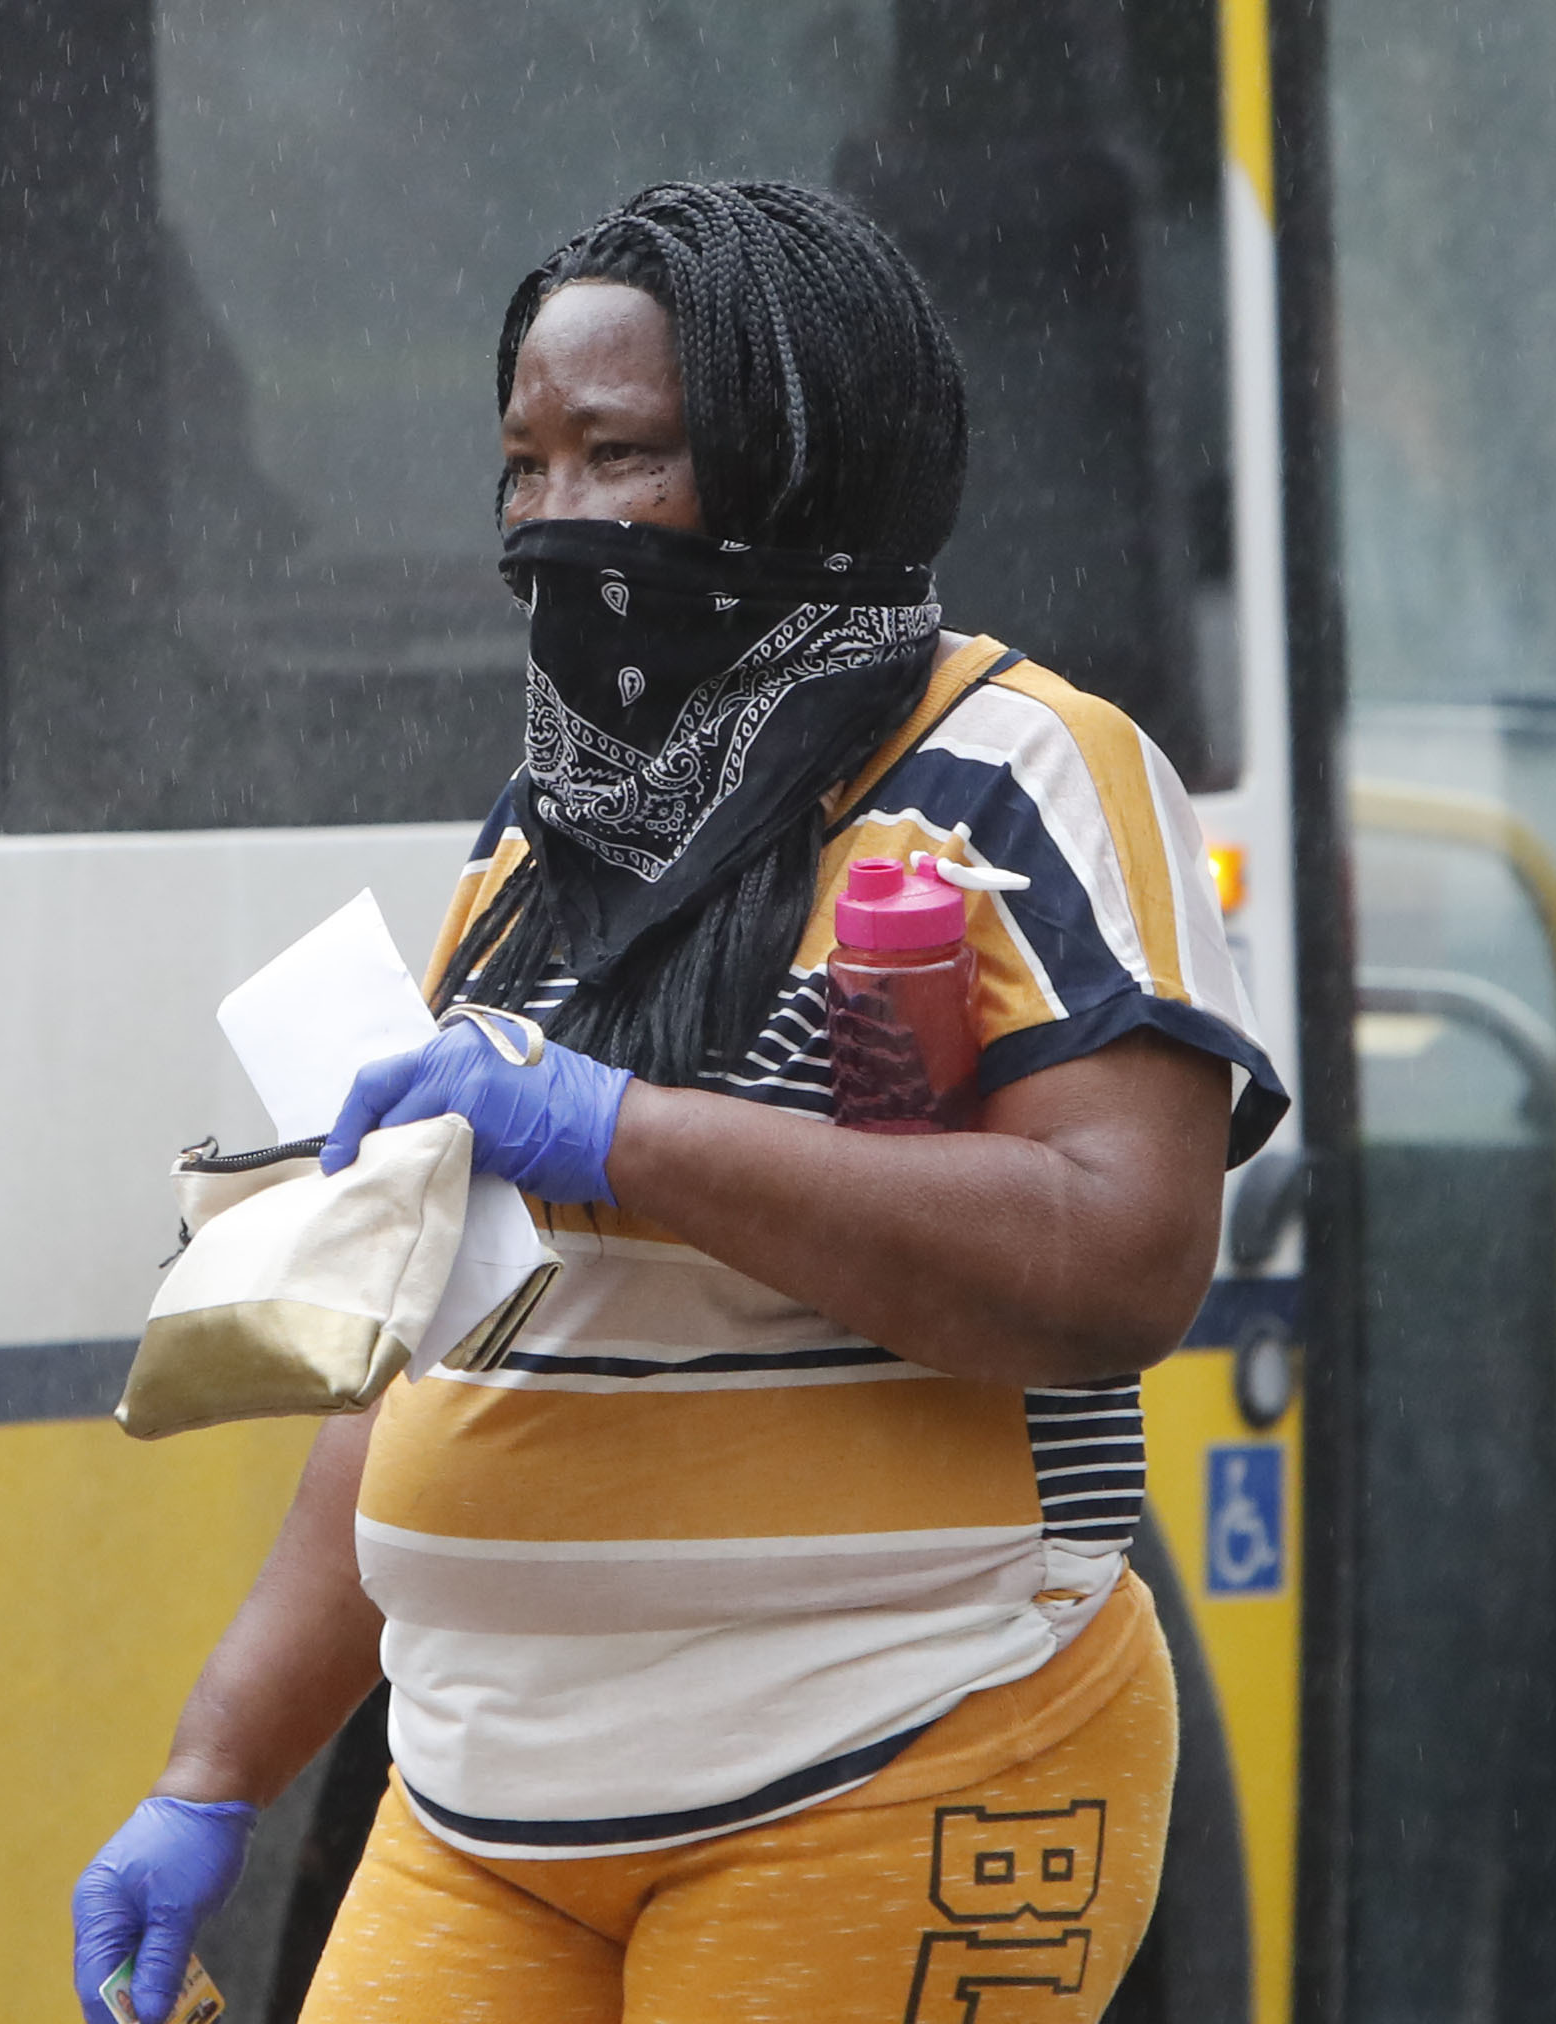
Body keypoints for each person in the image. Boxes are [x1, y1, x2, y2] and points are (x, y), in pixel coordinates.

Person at [73, 179, 1287, 2024]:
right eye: (523, 466)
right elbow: (418, 1358)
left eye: (619, 457)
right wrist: (210, 1768)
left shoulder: (1020, 768)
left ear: (800, 461)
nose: (557, 521)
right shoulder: (540, 837)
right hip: (489, 1809)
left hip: (895, 1755)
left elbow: (1119, 1256)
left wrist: (620, 1136)